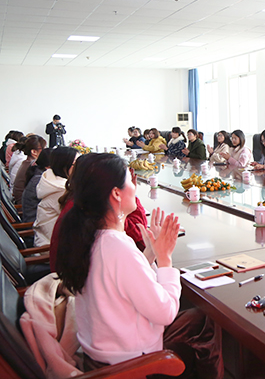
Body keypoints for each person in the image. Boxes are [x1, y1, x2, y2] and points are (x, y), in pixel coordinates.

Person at [55, 153, 223, 377]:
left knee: (199, 318)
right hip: (130, 365)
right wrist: (165, 259)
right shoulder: (116, 247)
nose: (134, 186)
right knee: (204, 321)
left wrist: (150, 253)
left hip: (102, 355)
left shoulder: (89, 236)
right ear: (116, 193)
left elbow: (117, 283)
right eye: (129, 181)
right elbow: (166, 312)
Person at [34, 147, 78, 247]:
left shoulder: (51, 179)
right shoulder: (61, 189)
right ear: (64, 166)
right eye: (75, 164)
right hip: (50, 248)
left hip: (48, 240)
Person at [13, 135, 47, 204]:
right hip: (25, 205)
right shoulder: (33, 166)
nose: (46, 152)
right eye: (44, 149)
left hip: (22, 201)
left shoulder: (27, 162)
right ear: (34, 152)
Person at [21, 148, 52, 223]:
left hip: (35, 220)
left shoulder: (37, 173)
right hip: (33, 226)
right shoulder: (40, 180)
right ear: (48, 166)